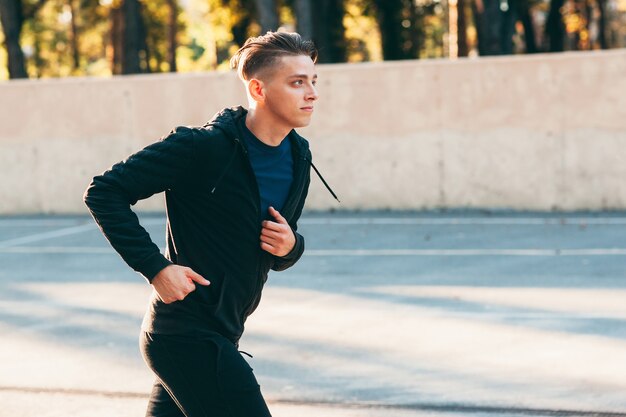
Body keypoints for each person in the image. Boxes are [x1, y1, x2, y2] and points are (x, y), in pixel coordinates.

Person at [84, 31, 338, 417]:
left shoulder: (298, 155)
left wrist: (292, 246)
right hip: (184, 332)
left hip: (225, 330)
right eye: (297, 82)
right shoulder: (201, 147)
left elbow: (276, 251)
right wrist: (156, 268)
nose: (312, 93)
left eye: (313, 81)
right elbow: (105, 191)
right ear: (258, 88)